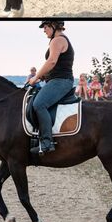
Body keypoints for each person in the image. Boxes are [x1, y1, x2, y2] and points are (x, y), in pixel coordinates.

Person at [28, 21, 74, 155]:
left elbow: (52, 61)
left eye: (46, 27)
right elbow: (56, 65)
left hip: (61, 81)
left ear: (54, 26)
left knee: (39, 104)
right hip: (56, 79)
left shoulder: (57, 40)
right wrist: (44, 76)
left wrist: (36, 77)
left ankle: (47, 143)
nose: (44, 30)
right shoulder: (58, 40)